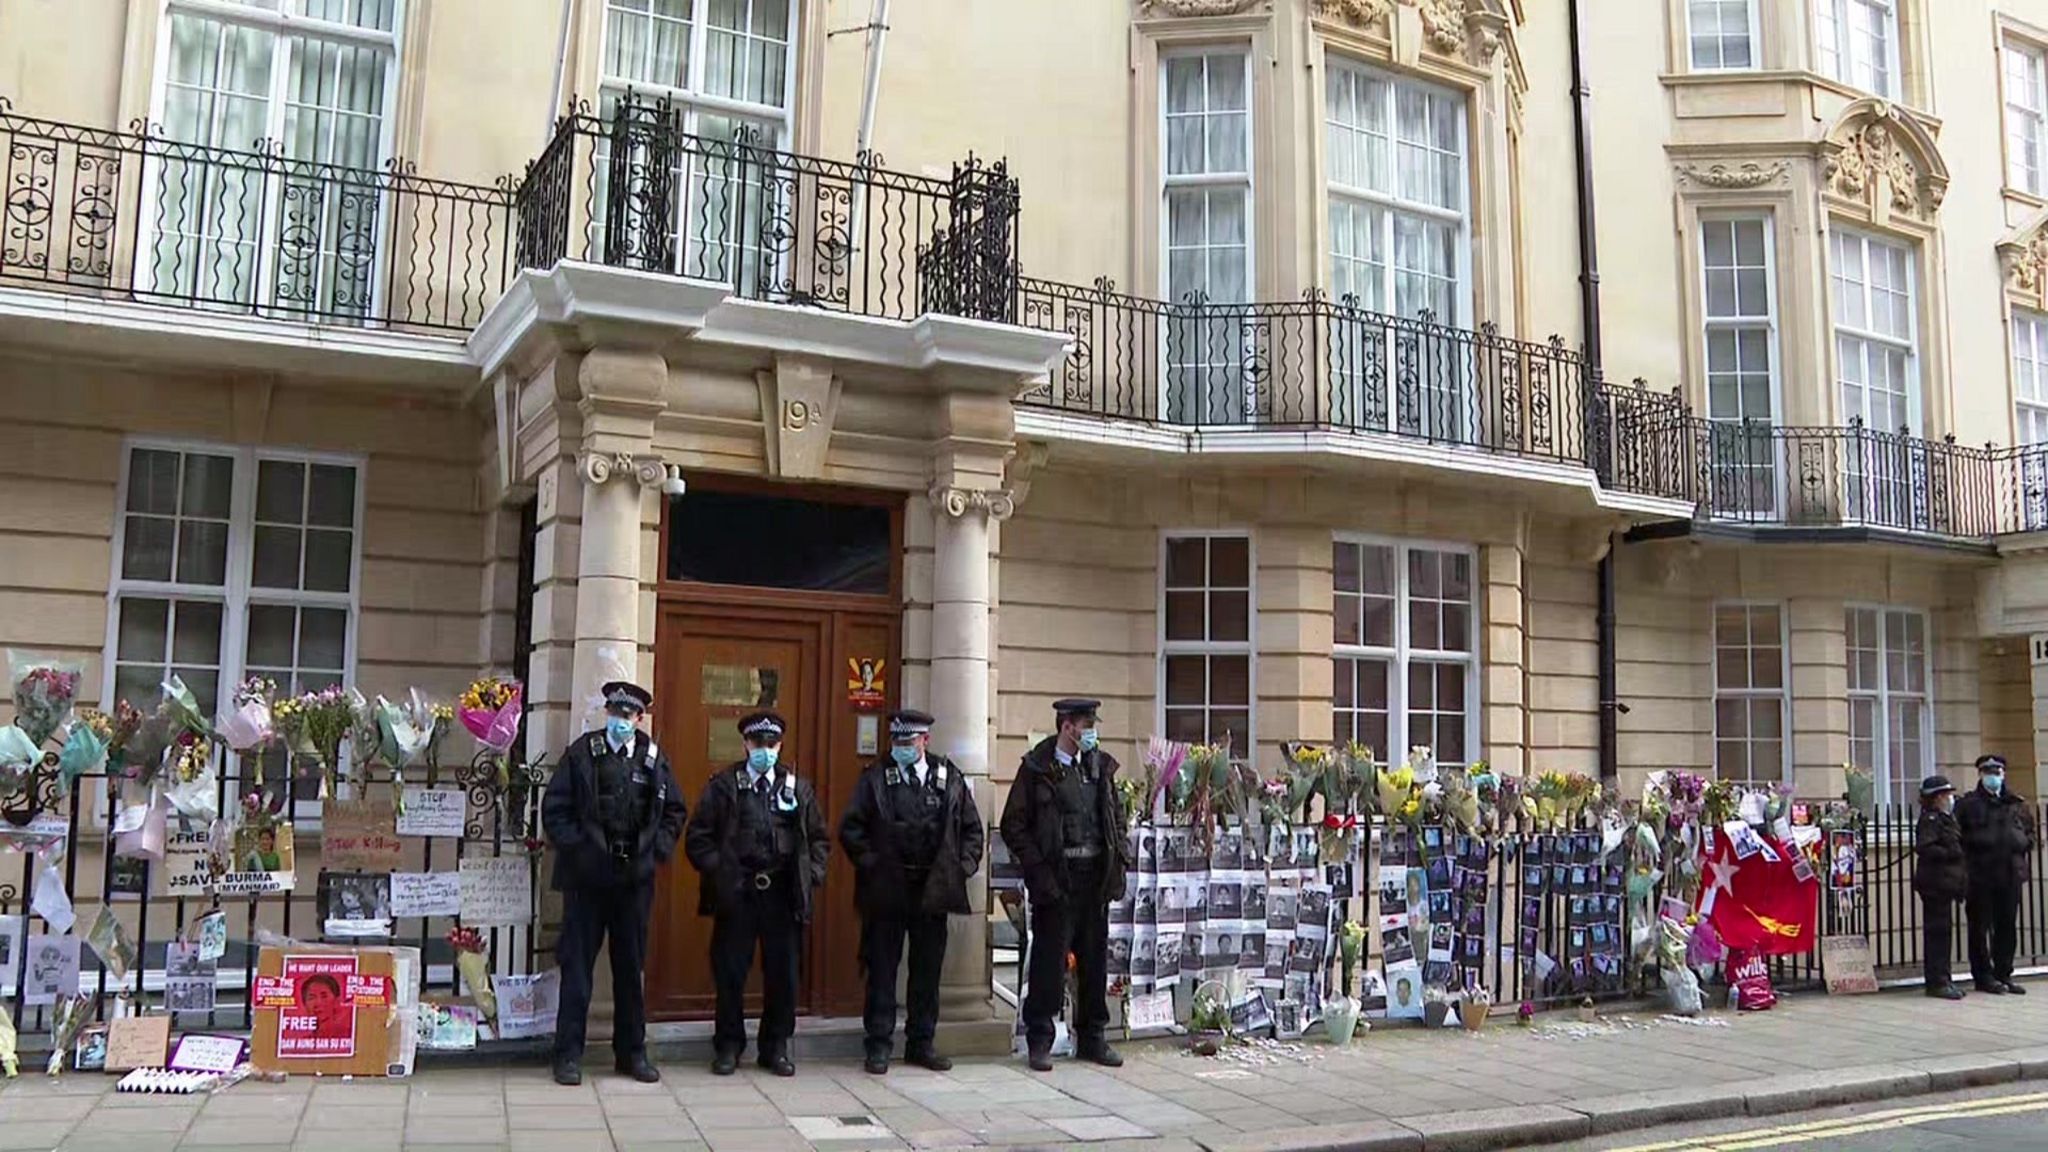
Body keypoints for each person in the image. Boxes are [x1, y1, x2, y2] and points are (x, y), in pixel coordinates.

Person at [540, 680, 687, 1086]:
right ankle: (568, 1055)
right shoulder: (583, 753)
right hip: (587, 879)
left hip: (633, 880)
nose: (620, 722)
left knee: (629, 969)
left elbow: (675, 811)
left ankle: (632, 1053)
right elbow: (555, 809)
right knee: (577, 969)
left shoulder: (653, 758)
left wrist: (655, 852)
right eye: (615, 714)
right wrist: (580, 850)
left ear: (640, 718)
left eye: (628, 715)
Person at [838, 708, 985, 1075]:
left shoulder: (947, 776)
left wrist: (960, 868)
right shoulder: (875, 778)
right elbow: (851, 829)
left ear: (925, 741)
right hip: (888, 889)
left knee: (926, 973)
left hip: (932, 889)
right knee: (883, 970)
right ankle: (879, 1045)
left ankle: (922, 1043)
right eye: (897, 741)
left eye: (909, 741)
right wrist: (872, 865)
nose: (902, 747)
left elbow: (972, 831)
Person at [686, 710, 830, 1077]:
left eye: (771, 743)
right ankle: (729, 1046)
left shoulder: (798, 788)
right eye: (757, 743)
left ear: (780, 745)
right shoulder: (725, 785)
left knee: (783, 974)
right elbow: (698, 838)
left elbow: (819, 839)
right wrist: (722, 872)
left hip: (782, 893)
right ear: (746, 744)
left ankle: (775, 1047)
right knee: (730, 972)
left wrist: (810, 875)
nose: (764, 749)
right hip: (739, 893)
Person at [998, 698, 1129, 1072]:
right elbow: (1014, 825)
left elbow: (1114, 816)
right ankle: (1040, 1038)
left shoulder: (1099, 766)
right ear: (1067, 726)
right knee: (1048, 966)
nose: (1091, 731)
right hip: (1057, 880)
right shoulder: (1037, 768)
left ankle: (1092, 1037)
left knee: (1094, 964)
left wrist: (1120, 854)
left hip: (1094, 881)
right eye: (1086, 724)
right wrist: (1039, 871)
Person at [1956, 754, 2035, 995]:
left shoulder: (2015, 803)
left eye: (1997, 772)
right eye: (1988, 772)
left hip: (2009, 873)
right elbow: (1958, 837)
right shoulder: (1968, 805)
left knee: (2007, 926)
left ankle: (2004, 974)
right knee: (1979, 928)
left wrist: (2022, 842)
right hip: (1981, 874)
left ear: (2003, 774)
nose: (1994, 777)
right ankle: (1983, 976)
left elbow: (2029, 832)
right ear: (1980, 774)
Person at [1914, 775, 1968, 1000]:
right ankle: (1937, 981)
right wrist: (1950, 853)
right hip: (1935, 883)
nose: (1949, 798)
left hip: (1944, 883)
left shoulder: (1946, 818)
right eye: (1945, 795)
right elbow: (1925, 847)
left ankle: (1944, 977)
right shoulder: (1932, 820)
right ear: (1935, 798)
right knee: (1937, 933)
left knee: (1944, 932)